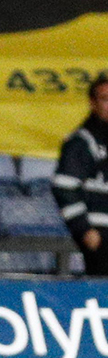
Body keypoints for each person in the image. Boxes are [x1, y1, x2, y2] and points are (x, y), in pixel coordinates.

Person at [53, 75, 108, 276]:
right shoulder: (82, 142)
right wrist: (84, 229)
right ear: (93, 103)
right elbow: (64, 187)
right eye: (105, 99)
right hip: (100, 231)